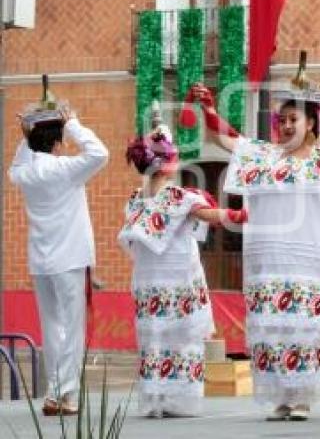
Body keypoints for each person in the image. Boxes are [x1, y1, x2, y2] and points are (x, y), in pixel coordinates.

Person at [182, 75, 320, 421]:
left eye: (295, 119)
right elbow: (226, 138)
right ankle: (280, 396)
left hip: (308, 258)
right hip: (269, 259)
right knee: (272, 327)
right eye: (283, 119)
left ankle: (303, 396)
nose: (287, 125)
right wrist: (208, 109)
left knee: (303, 326)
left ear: (310, 124)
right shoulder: (262, 155)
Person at [118, 122, 247, 417]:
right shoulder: (178, 197)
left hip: (149, 283)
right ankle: (179, 401)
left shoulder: (135, 202)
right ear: (167, 164)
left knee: (154, 341)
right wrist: (246, 214)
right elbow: (210, 215)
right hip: (177, 281)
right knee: (182, 341)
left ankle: (155, 401)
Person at [9, 105, 109, 415]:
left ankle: (58, 394)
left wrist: (28, 132)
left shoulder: (24, 173)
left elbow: (17, 163)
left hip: (41, 260)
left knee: (52, 328)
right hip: (70, 258)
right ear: (57, 143)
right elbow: (99, 153)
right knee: (72, 328)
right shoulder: (65, 168)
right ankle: (64, 394)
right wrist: (74, 123)